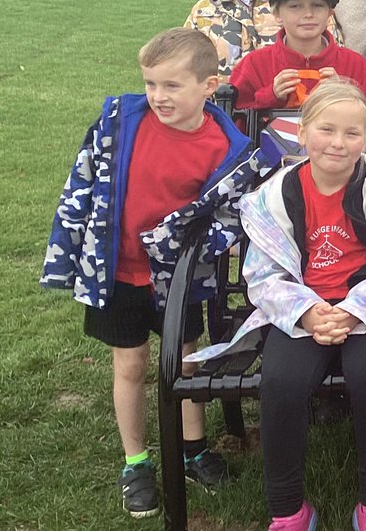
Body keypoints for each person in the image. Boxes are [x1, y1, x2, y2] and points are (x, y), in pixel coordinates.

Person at [41, 29, 256, 517]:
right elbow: (84, 179)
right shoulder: (120, 122)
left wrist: (190, 244)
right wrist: (70, 244)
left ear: (209, 85)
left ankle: (192, 447)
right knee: (131, 364)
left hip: (180, 278)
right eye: (150, 83)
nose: (158, 96)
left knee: (184, 360)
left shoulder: (227, 145)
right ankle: (135, 461)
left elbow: (229, 217)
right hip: (117, 269)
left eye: (172, 86)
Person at [189, 80, 366, 531]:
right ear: (303, 132)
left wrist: (352, 311)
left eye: (352, 133)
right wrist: (309, 314)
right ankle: (289, 510)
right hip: (301, 310)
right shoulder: (273, 199)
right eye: (326, 129)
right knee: (281, 383)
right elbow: (263, 274)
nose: (338, 142)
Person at [230, 0, 366, 109]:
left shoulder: (354, 64)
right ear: (277, 14)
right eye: (295, 6)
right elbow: (233, 120)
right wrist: (271, 96)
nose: (308, 14)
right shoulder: (254, 64)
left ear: (330, 13)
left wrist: (343, 95)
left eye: (317, 5)